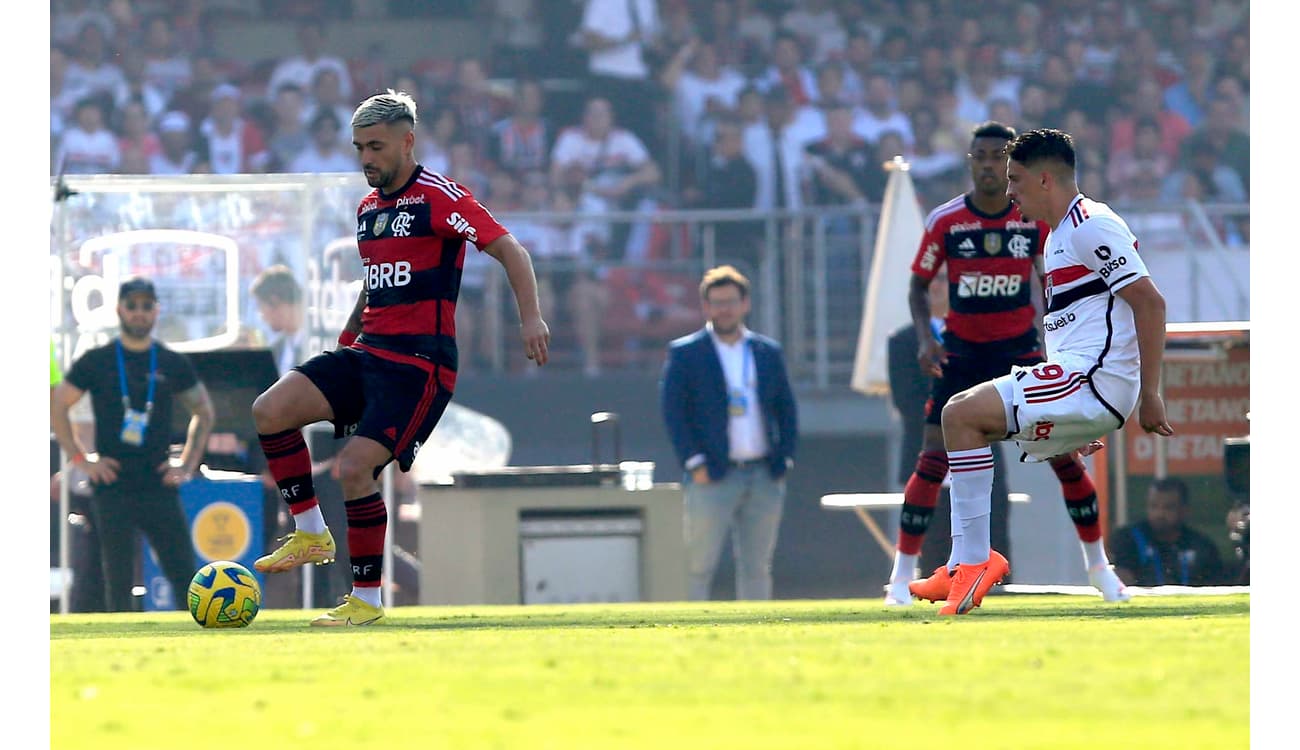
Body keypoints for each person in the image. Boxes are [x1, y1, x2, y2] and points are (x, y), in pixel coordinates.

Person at [249, 89, 551, 627]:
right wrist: (350, 326)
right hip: (369, 351)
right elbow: (379, 283)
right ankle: (312, 533)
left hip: (419, 365)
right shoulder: (369, 209)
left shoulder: (440, 197)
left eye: (377, 147)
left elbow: (510, 249)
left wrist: (530, 318)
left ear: (408, 141)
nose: (366, 158)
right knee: (271, 410)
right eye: (359, 147)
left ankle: (366, 600)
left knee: (353, 467)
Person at [914, 128, 1173, 615]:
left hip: (1095, 383)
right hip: (1081, 382)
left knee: (959, 414)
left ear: (1046, 179)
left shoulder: (1092, 225)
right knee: (964, 419)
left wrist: (1149, 393)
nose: (1009, 190)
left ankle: (970, 565)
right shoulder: (1057, 236)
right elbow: (1078, 328)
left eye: (1016, 179)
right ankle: (961, 566)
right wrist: (1069, 423)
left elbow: (1150, 303)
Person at [50, 277, 216, 612]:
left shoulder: (170, 362)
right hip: (111, 486)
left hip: (158, 483)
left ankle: (203, 645)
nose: (139, 313)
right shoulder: (97, 360)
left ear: (156, 311)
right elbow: (57, 405)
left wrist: (185, 464)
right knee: (116, 582)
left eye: (146, 306)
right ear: (119, 310)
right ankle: (120, 653)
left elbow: (204, 411)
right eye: (132, 306)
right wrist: (82, 459)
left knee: (185, 576)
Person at [659, 265, 798, 601]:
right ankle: (688, 636)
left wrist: (784, 459)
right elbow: (674, 412)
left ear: (745, 304)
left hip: (763, 473)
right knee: (697, 565)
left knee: (757, 566)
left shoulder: (766, 352)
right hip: (712, 474)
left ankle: (757, 635)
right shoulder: (686, 353)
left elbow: (786, 408)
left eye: (731, 301)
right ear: (705, 307)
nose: (724, 309)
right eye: (717, 302)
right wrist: (695, 463)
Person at [1108, 478, 1224, 587]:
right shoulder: (1128, 539)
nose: (1159, 514)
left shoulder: (1202, 546)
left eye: (1168, 507)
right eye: (1153, 506)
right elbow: (1120, 582)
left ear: (1184, 510)